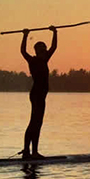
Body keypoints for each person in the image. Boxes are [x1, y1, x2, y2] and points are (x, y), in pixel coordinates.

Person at [20, 26, 57, 159]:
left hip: (41, 96)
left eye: (44, 49)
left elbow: (54, 47)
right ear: (37, 51)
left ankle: (33, 152)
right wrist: (25, 35)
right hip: (36, 95)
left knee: (38, 123)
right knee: (34, 122)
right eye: (41, 49)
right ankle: (27, 151)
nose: (44, 51)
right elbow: (23, 51)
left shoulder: (45, 59)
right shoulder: (33, 60)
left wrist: (55, 32)